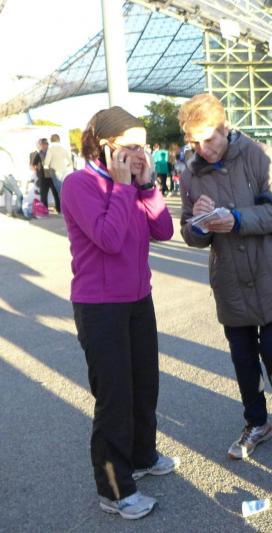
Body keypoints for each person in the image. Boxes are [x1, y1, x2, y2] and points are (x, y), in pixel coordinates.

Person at [61, 106, 178, 520]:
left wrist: (145, 186)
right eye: (132, 147)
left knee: (145, 385)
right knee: (114, 397)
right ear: (106, 147)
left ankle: (142, 455)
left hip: (138, 298)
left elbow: (164, 230)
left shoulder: (134, 184)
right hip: (99, 306)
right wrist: (124, 186)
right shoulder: (79, 184)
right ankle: (114, 489)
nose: (141, 154)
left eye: (144, 146)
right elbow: (109, 239)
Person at [178, 94, 272, 460]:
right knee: (243, 358)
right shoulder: (190, 174)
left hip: (269, 272)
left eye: (209, 138)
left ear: (224, 126)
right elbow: (189, 232)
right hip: (229, 278)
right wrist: (199, 224)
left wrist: (238, 219)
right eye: (195, 142)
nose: (203, 149)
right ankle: (256, 422)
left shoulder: (258, 155)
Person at [31, 138, 60, 214]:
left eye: (46, 144)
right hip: (43, 177)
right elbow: (33, 165)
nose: (44, 146)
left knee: (56, 193)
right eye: (43, 144)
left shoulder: (51, 153)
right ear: (40, 145)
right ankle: (44, 210)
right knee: (43, 195)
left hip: (52, 176)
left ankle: (59, 209)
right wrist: (38, 170)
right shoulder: (37, 154)